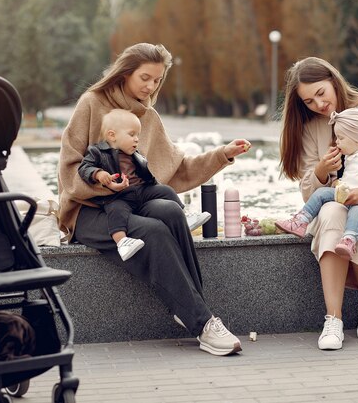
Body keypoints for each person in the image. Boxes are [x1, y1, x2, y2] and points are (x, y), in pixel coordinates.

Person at [58, 43, 252, 356]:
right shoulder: (91, 104)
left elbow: (177, 169)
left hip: (134, 200)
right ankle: (202, 323)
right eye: (145, 78)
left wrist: (222, 154)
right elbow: (69, 171)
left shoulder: (148, 117)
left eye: (157, 81)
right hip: (90, 211)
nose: (150, 87)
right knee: (153, 231)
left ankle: (192, 311)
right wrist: (109, 185)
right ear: (124, 74)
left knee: (171, 212)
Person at [279, 57, 358, 350]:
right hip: (337, 200)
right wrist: (322, 170)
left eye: (321, 93)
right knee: (332, 215)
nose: (318, 104)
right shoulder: (311, 127)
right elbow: (310, 193)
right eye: (309, 101)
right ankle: (332, 319)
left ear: (334, 81)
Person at [275, 108, 358, 261]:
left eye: (340, 138)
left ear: (357, 139)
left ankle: (349, 240)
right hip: (349, 193)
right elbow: (352, 176)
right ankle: (300, 221)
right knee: (321, 193)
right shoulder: (351, 155)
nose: (337, 141)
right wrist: (338, 182)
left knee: (357, 213)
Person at [78, 108, 185, 261]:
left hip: (141, 190)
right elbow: (84, 167)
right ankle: (122, 242)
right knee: (115, 211)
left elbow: (145, 174)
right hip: (119, 196)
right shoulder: (98, 151)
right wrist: (99, 174)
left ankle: (184, 215)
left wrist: (152, 184)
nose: (136, 139)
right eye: (131, 134)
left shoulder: (135, 154)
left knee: (166, 191)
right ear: (112, 135)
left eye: (138, 135)